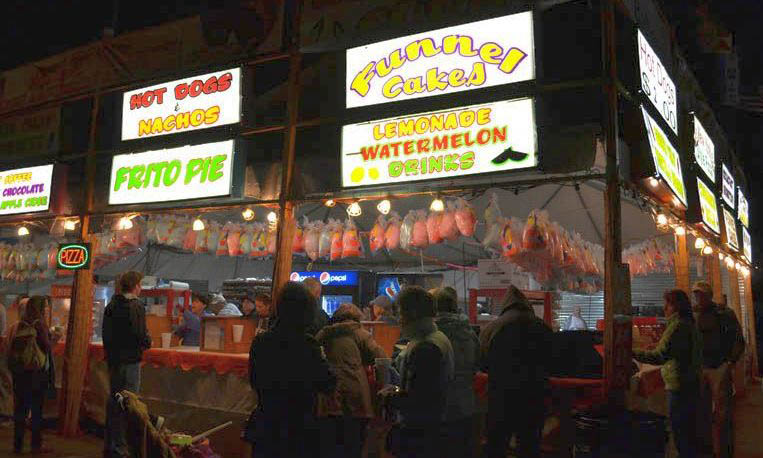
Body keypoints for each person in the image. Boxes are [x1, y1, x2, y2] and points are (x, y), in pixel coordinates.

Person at [248, 281, 336, 458]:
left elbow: (254, 381)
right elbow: (327, 383)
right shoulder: (308, 345)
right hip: (299, 428)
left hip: (267, 425)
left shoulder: (261, 342)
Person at [479, 286, 552, 458]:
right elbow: (554, 361)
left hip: (501, 398)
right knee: (529, 447)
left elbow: (482, 363)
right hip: (534, 397)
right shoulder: (543, 327)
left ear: (505, 305)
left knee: (496, 447)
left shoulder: (492, 328)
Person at [384, 286, 454, 458]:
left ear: (412, 313)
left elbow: (418, 398)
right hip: (434, 428)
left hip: (419, 434)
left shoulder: (425, 347)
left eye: (400, 313)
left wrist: (390, 397)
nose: (398, 319)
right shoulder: (437, 337)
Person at [634, 289, 702, 458]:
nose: (664, 308)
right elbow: (673, 349)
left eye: (668, 304)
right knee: (687, 429)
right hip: (689, 380)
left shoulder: (677, 326)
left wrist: (632, 352)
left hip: (679, 383)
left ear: (677, 306)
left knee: (680, 429)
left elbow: (660, 356)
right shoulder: (686, 323)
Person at [315, 303, 387, 458]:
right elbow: (380, 357)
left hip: (331, 391)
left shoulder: (324, 333)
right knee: (355, 441)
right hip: (356, 389)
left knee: (332, 442)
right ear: (356, 318)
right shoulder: (361, 333)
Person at [692, 281, 745, 458]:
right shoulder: (693, 314)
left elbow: (738, 340)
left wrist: (729, 362)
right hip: (701, 368)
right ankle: (708, 451)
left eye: (701, 294)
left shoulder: (724, 313)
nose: (698, 298)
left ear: (709, 295)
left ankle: (724, 452)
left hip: (719, 367)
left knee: (723, 414)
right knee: (702, 413)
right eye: (696, 294)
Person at [102, 271, 152, 458]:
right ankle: (125, 448)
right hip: (130, 361)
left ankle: (112, 445)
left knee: (115, 402)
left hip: (114, 361)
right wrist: (148, 342)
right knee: (129, 404)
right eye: (140, 284)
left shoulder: (111, 305)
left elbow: (106, 334)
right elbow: (140, 334)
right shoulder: (136, 306)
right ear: (135, 286)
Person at [4, 296, 59, 454]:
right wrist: (55, 339)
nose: (47, 309)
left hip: (20, 373)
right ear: (40, 308)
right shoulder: (39, 324)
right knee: (36, 411)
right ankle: (36, 445)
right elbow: (46, 347)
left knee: (20, 410)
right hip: (36, 374)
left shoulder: (20, 324)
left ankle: (18, 445)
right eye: (45, 307)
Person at [433, 287, 479, 458]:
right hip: (466, 405)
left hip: (439, 407)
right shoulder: (469, 332)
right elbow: (478, 363)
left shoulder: (432, 333)